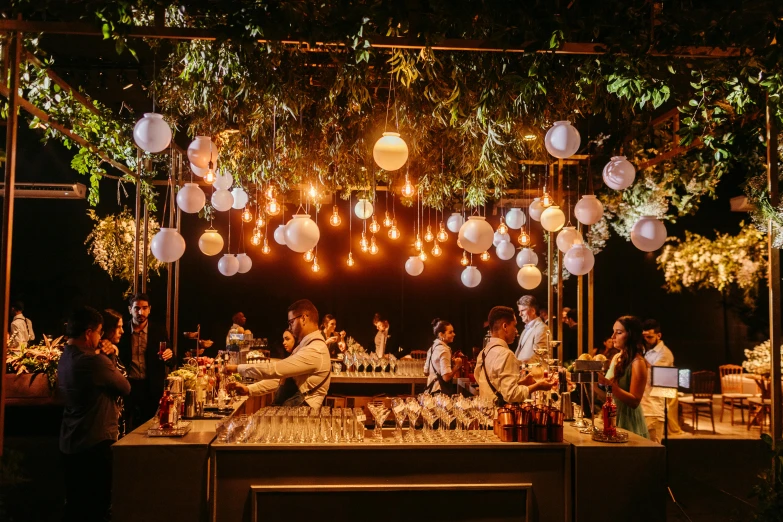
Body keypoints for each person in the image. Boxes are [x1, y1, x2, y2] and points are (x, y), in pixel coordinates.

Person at [58, 306, 131, 522]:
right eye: (99, 331)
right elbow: (125, 387)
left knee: (76, 504)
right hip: (95, 441)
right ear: (89, 333)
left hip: (70, 440)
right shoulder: (94, 362)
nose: (101, 337)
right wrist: (111, 356)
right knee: (97, 505)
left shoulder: (65, 357)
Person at [225, 299, 331, 407]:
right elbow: (281, 380)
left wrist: (237, 368)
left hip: (301, 419)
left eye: (291, 322)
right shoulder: (305, 346)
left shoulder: (315, 349)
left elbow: (275, 370)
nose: (290, 327)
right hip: (291, 415)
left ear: (303, 318)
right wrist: (249, 389)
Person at [476, 306, 555, 404]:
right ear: (505, 326)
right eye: (514, 326)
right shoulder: (506, 354)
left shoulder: (483, 352)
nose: (516, 331)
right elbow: (512, 395)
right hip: (501, 415)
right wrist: (538, 386)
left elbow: (496, 386)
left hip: (485, 412)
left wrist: (522, 383)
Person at [117, 293, 174, 430]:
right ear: (130, 309)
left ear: (149, 309)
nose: (140, 312)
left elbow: (171, 360)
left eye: (144, 308)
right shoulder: (122, 330)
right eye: (136, 308)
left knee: (150, 426)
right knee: (127, 427)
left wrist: (170, 355)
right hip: (128, 385)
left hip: (151, 387)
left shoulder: (158, 330)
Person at [598, 316, 649, 438]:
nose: (613, 336)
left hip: (628, 421)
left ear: (631, 335)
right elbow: (607, 396)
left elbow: (634, 401)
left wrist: (607, 383)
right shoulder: (616, 358)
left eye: (619, 332)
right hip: (613, 417)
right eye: (613, 331)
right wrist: (591, 381)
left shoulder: (638, 362)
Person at [640, 319, 677, 443]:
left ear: (659, 335)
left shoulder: (664, 354)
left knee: (653, 449)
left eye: (649, 337)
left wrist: (637, 360)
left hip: (654, 409)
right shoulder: (647, 351)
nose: (646, 340)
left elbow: (654, 379)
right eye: (644, 337)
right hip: (644, 407)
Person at [100, 309, 129, 438]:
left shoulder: (113, 348)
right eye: (118, 327)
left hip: (117, 410)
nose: (122, 331)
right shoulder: (101, 351)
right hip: (106, 415)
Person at [424, 318, 463, 395]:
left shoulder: (431, 348)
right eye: (450, 332)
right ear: (441, 334)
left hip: (430, 392)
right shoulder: (444, 350)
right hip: (440, 393)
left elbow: (425, 372)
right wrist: (457, 366)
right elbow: (446, 377)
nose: (454, 334)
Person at [515, 295, 549, 363]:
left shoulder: (542, 328)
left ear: (533, 311)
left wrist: (519, 364)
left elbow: (540, 356)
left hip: (533, 372)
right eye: (519, 311)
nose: (520, 314)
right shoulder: (525, 330)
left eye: (523, 310)